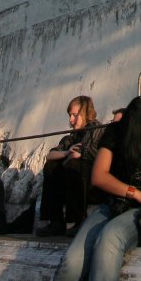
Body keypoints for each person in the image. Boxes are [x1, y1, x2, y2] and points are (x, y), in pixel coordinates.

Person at [52, 94, 141, 281]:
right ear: (135, 126)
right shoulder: (115, 133)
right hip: (112, 205)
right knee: (72, 260)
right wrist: (136, 193)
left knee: (109, 238)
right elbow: (99, 176)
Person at [35, 96, 104, 237]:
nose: (71, 120)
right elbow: (50, 155)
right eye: (70, 115)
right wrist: (67, 152)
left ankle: (79, 221)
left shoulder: (97, 129)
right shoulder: (72, 137)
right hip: (73, 181)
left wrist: (80, 153)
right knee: (51, 166)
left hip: (92, 182)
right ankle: (56, 221)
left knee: (74, 165)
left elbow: (92, 152)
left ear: (85, 113)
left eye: (74, 115)